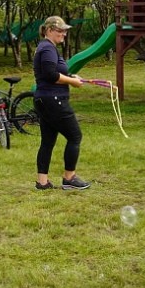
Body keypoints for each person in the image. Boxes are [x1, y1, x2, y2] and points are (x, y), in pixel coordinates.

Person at [33, 15, 89, 191]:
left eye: (65, 31)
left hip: (44, 99)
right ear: (49, 30)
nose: (64, 34)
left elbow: (50, 73)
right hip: (53, 100)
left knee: (48, 141)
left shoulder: (46, 48)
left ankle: (42, 182)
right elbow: (50, 75)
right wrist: (71, 82)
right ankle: (69, 178)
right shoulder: (48, 48)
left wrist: (72, 77)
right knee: (75, 136)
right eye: (60, 31)